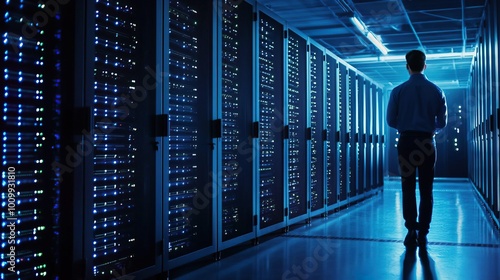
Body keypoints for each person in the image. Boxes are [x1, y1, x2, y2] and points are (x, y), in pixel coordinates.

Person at [386, 50, 448, 247]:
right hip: (427, 142)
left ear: (407, 67)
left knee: (408, 187)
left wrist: (406, 126)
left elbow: (390, 120)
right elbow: (443, 122)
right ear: (425, 66)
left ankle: (411, 229)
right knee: (426, 188)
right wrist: (430, 128)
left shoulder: (397, 91)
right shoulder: (437, 90)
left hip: (406, 142)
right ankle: (424, 232)